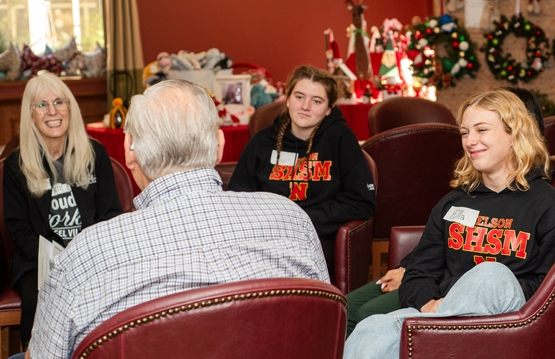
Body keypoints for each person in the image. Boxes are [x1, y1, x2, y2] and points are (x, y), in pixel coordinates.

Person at [23, 79, 329, 359]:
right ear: (220, 146)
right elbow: (324, 337)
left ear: (130, 152)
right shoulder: (293, 221)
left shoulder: (84, 255)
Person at [344, 88, 555, 359]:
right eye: (465, 132)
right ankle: (439, 332)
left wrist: (467, 298)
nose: (470, 141)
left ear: (513, 134)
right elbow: (419, 271)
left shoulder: (546, 204)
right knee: (369, 329)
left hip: (512, 319)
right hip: (442, 313)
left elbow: (545, 288)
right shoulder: (453, 203)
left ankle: (436, 333)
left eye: (481, 130)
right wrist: (429, 303)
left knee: (491, 275)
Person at [3, 72, 123, 351]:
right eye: (41, 105)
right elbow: (18, 227)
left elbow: (110, 215)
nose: (53, 111)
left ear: (70, 108)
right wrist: (56, 261)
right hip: (38, 261)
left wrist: (82, 256)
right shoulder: (15, 166)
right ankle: (34, 352)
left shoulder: (96, 155)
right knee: (40, 296)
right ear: (30, 115)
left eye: (59, 101)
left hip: (91, 255)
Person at [227, 64, 376, 273]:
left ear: (329, 109)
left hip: (315, 238)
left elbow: (362, 202)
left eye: (317, 101)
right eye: (299, 97)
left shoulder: (341, 139)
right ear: (287, 99)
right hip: (264, 238)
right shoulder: (262, 141)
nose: (305, 106)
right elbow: (237, 198)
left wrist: (300, 219)